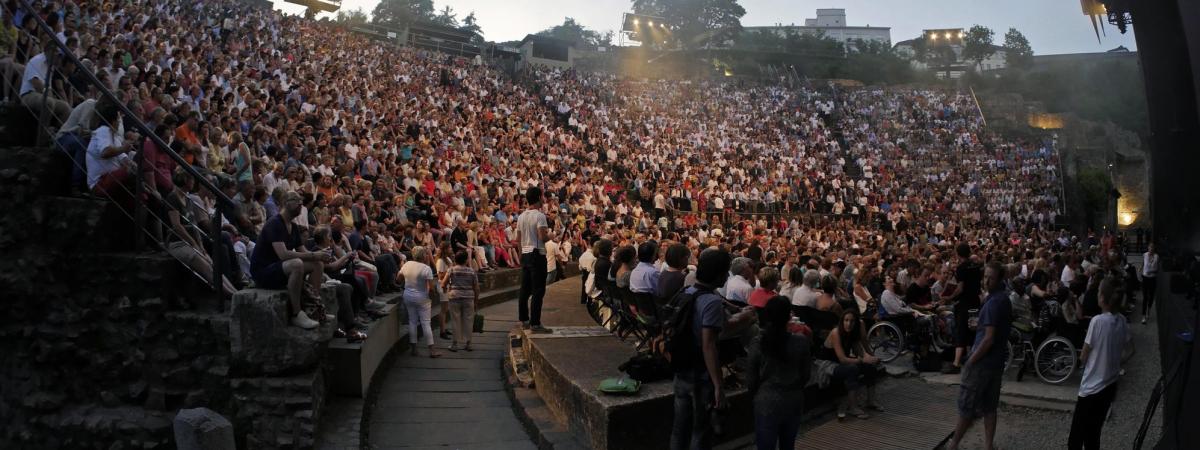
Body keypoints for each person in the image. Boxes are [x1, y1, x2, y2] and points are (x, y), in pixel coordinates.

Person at [671, 248, 750, 450]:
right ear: (718, 274)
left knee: (680, 428)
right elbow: (709, 345)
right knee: (700, 430)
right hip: (700, 375)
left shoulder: (687, 290)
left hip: (681, 369)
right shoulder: (712, 302)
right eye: (725, 272)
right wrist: (718, 386)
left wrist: (735, 309)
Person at [948, 262, 1012, 450]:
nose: (986, 281)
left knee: (966, 406)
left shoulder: (993, 303)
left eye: (990, 278)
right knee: (989, 406)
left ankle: (953, 445)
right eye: (985, 277)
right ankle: (988, 445)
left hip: (983, 363)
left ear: (999, 279)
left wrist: (971, 360)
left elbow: (989, 339)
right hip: (996, 362)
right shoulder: (1003, 299)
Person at [249, 191, 331, 329]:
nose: (300, 203)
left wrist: (320, 254)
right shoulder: (274, 223)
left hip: (279, 269)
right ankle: (296, 314)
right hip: (263, 272)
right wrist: (313, 255)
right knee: (297, 264)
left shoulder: (293, 227)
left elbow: (303, 251)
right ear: (284, 203)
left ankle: (313, 309)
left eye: (301, 200)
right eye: (295, 199)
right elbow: (283, 255)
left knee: (317, 264)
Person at [1068, 277, 1128, 450]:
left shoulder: (1097, 321)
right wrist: (1115, 360)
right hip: (1110, 385)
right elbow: (1130, 349)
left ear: (1102, 298)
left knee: (1076, 437)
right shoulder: (1122, 320)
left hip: (1091, 387)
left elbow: (1084, 356)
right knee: (1094, 434)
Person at [747, 296, 811, 450]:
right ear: (789, 316)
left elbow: (751, 378)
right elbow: (806, 375)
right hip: (793, 398)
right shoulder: (801, 342)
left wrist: (756, 394)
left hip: (766, 400)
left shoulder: (758, 343)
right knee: (788, 445)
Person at [821, 309, 882, 420]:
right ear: (842, 321)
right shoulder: (836, 332)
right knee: (852, 369)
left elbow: (860, 353)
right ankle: (853, 407)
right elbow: (842, 359)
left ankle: (871, 401)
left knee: (870, 367)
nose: (848, 324)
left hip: (841, 363)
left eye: (852, 321)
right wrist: (861, 360)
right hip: (828, 364)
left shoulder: (852, 334)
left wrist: (872, 358)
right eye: (846, 320)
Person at [516, 186, 551, 333]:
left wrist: (520, 256)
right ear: (538, 198)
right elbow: (542, 237)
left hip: (525, 253)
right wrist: (551, 236)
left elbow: (518, 239)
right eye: (542, 196)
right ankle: (535, 323)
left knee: (524, 289)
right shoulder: (540, 216)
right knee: (538, 290)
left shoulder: (521, 216)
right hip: (537, 254)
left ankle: (524, 319)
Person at [400, 246, 441, 358]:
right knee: (426, 323)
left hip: (408, 296)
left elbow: (398, 279)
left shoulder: (407, 264)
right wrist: (432, 296)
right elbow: (431, 287)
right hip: (422, 297)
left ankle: (413, 349)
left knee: (412, 322)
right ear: (423, 255)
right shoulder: (426, 268)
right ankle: (432, 350)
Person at [441, 250, 479, 352]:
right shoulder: (471, 271)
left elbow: (443, 284)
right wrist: (476, 301)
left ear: (456, 260)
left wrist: (446, 288)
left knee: (455, 320)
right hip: (468, 298)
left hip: (454, 297)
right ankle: (468, 343)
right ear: (466, 260)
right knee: (468, 320)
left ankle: (455, 344)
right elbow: (476, 288)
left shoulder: (451, 270)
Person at [1141, 243, 1159, 324]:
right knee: (1145, 297)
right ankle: (1143, 316)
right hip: (1145, 278)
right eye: (1150, 247)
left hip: (1152, 278)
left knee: (1151, 296)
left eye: (1152, 248)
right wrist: (1140, 268)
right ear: (1148, 248)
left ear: (1154, 249)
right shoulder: (1144, 255)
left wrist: (1151, 271)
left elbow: (1157, 270)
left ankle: (1149, 308)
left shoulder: (1156, 256)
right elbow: (1143, 263)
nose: (1151, 249)